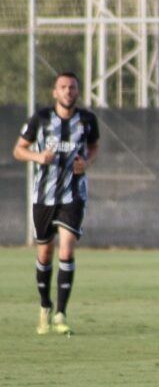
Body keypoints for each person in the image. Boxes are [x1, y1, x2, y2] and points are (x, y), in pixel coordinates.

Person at [13, 71, 100, 336]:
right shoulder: (40, 119)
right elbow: (18, 150)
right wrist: (38, 157)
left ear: (78, 91)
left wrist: (87, 162)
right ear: (55, 92)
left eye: (72, 87)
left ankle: (62, 313)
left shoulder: (87, 120)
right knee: (44, 254)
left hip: (73, 195)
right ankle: (45, 307)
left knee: (67, 248)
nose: (68, 91)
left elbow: (94, 146)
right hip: (43, 196)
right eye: (63, 87)